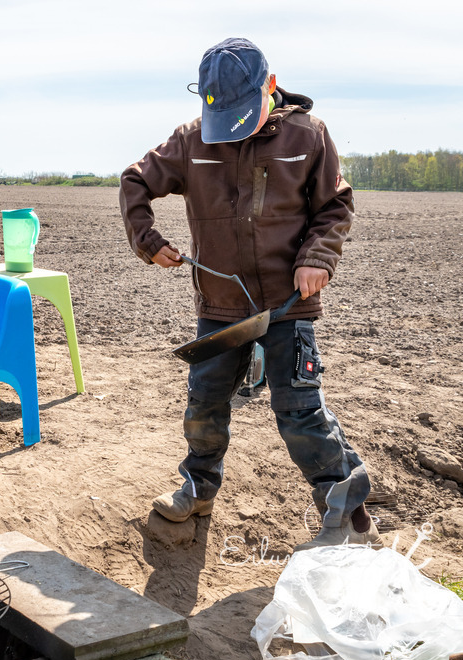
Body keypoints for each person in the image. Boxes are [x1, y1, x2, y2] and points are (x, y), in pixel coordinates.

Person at [119, 38, 380, 551]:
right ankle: (198, 490)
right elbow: (135, 181)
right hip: (220, 306)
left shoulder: (308, 135)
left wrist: (317, 258)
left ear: (271, 87)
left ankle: (351, 520)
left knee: (301, 412)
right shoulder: (191, 140)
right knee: (204, 404)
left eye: (243, 113)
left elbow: (335, 206)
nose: (234, 127)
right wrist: (148, 242)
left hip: (287, 304)